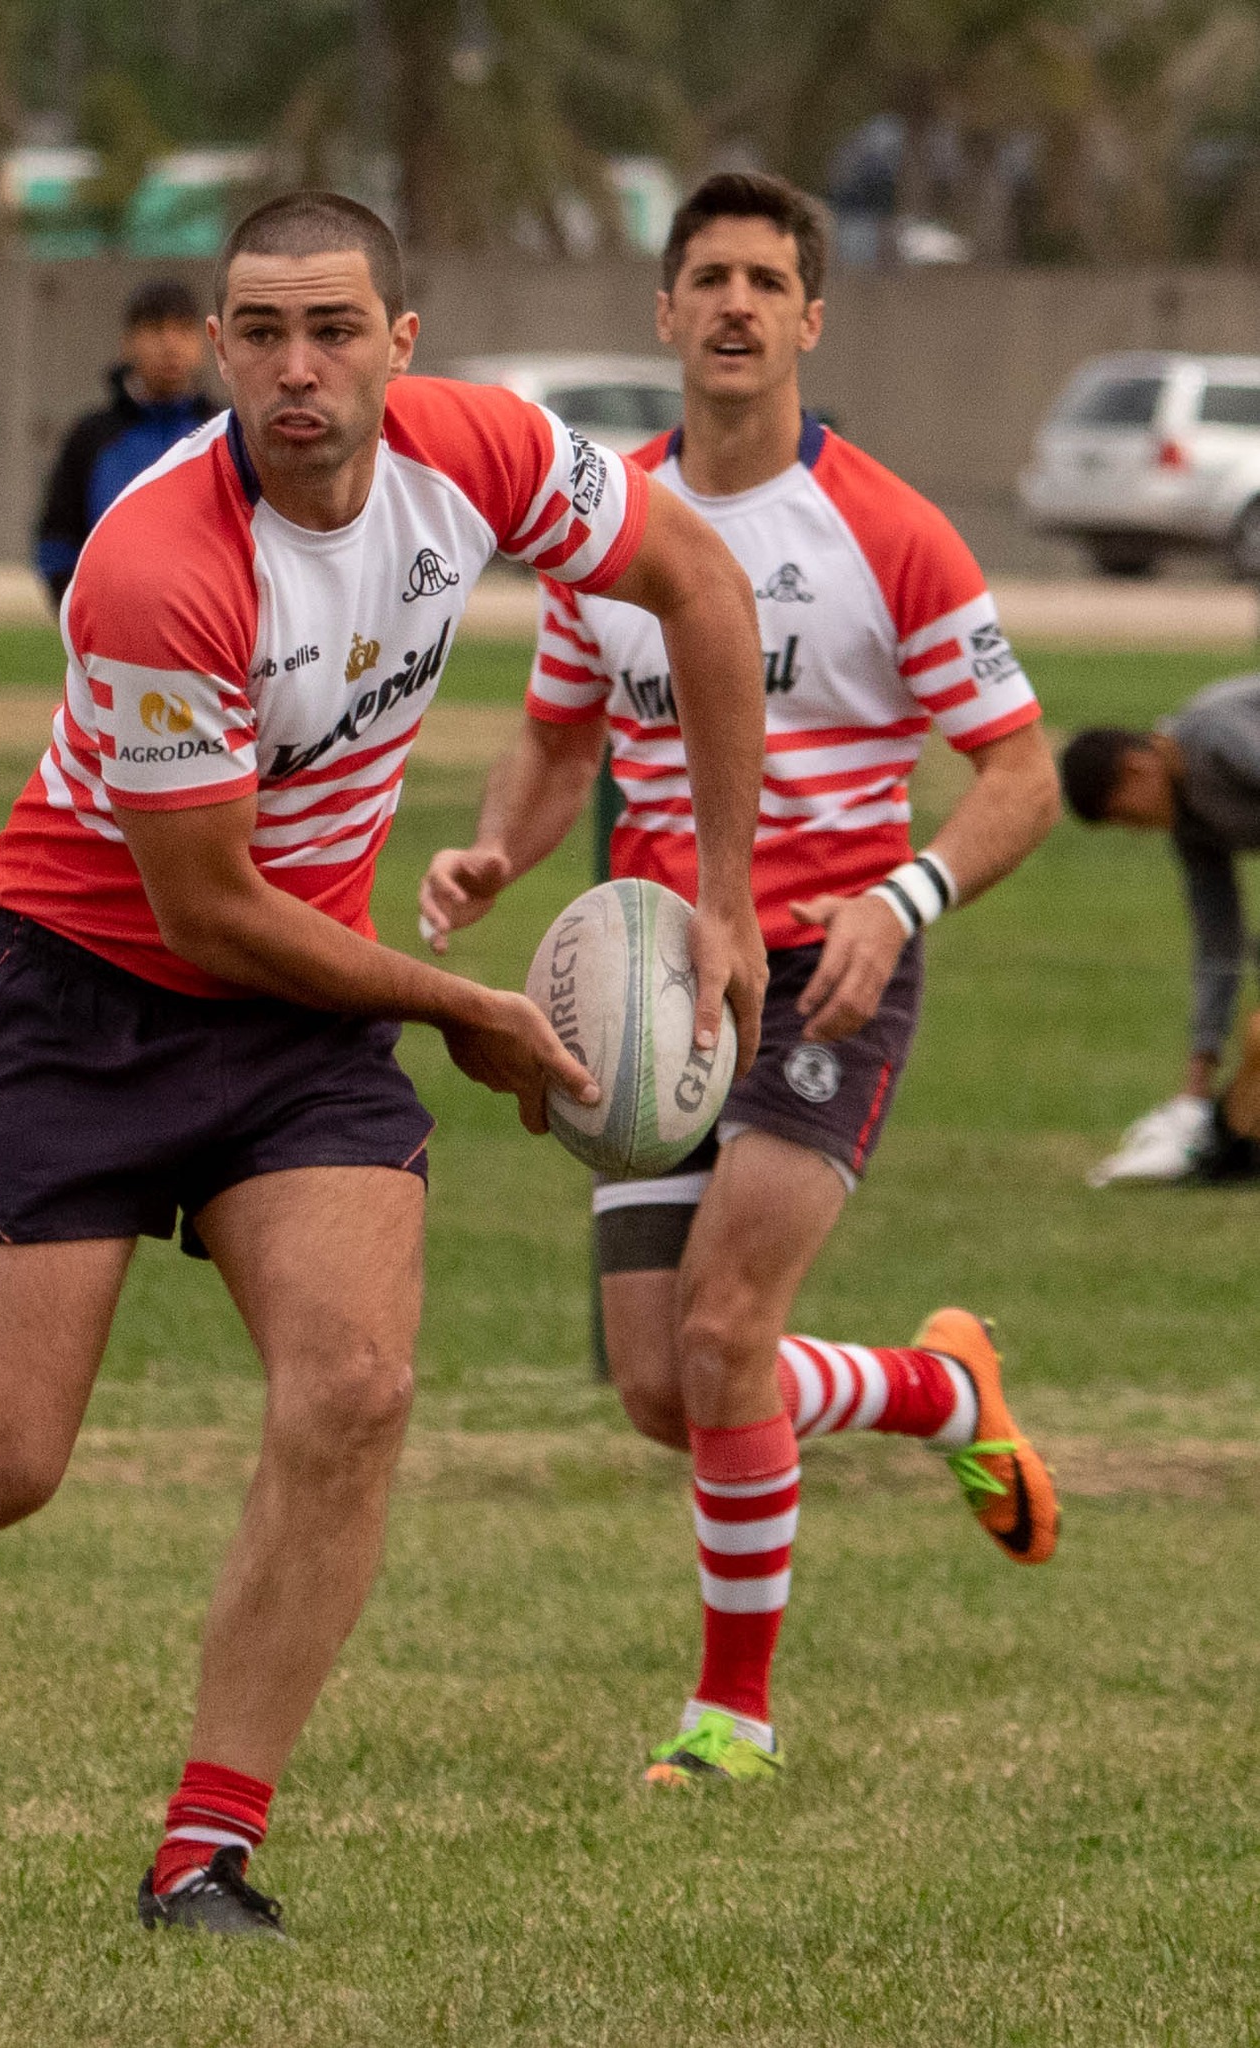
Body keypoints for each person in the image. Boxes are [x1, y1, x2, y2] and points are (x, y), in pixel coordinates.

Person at [0, 191, 771, 1935]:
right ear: (216, 346)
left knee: (354, 1386)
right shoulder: (158, 559)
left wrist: (724, 900)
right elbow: (206, 911)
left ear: (400, 345)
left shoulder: (485, 453)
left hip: (303, 1024)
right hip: (86, 999)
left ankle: (206, 1849)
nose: (299, 370)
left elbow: (699, 585)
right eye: (260, 333)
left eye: (335, 330)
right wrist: (470, 1009)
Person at [419, 170, 1064, 1788]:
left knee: (725, 1330)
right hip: (657, 989)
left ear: (810, 318)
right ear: (665, 309)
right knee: (666, 1387)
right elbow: (564, 730)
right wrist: (502, 844)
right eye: (707, 275)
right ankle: (936, 1387)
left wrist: (901, 898)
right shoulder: (613, 523)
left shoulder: (888, 530)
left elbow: (1022, 770)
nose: (734, 305)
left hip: (828, 970)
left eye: (765, 281)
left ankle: (735, 1720)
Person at [1061, 679, 1260, 1185]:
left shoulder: (1217, 737)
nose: (1134, 829)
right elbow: (1219, 945)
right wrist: (1194, 1085)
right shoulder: (1189, 822)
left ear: (1137, 768)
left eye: (1125, 815)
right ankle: (1217, 1141)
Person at [31, 277, 218, 606]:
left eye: (184, 329)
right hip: (112, 636)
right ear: (128, 343)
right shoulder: (91, 438)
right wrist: (81, 612)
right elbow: (56, 544)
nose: (170, 343)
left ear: (206, 342)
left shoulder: (230, 434)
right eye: (156, 329)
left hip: (214, 634)